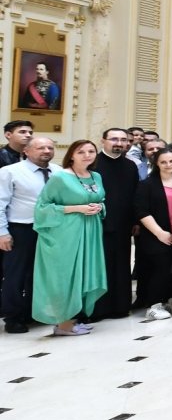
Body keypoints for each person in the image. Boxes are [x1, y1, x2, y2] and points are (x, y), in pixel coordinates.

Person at [32, 140, 103, 336]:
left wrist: (100, 207)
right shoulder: (60, 177)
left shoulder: (95, 176)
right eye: (81, 152)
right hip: (65, 233)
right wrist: (77, 208)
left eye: (91, 151)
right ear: (71, 154)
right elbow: (42, 208)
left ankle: (73, 319)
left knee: (83, 274)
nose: (87, 155)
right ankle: (62, 324)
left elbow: (100, 200)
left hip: (90, 231)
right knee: (66, 276)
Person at [0, 136, 58, 333]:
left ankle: (35, 311)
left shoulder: (58, 172)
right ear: (27, 151)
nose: (46, 151)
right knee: (16, 274)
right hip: (22, 229)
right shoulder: (10, 172)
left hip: (51, 229)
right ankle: (13, 317)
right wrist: (2, 233)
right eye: (41, 147)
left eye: (50, 147)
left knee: (42, 273)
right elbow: (0, 203)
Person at [84, 128, 137, 321]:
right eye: (114, 139)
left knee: (121, 265)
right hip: (95, 224)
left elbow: (133, 196)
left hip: (123, 225)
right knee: (98, 265)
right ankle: (97, 309)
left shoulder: (130, 166)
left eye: (123, 140)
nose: (119, 143)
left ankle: (120, 306)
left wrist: (135, 221)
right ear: (103, 140)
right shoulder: (92, 163)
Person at [133, 147, 172, 321]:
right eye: (163, 162)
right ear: (156, 163)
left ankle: (170, 300)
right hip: (156, 233)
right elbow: (141, 211)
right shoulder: (147, 184)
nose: (168, 165)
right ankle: (154, 305)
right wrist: (159, 233)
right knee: (160, 269)